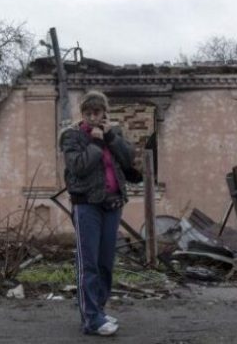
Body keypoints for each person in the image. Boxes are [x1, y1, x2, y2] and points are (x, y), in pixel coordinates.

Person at [59, 90, 135, 336]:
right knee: (88, 264)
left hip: (112, 204)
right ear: (82, 114)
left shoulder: (114, 133)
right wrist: (96, 142)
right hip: (87, 205)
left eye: (97, 112)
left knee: (105, 264)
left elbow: (129, 159)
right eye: (88, 113)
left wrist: (110, 137)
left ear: (105, 112)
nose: (93, 117)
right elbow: (78, 167)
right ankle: (91, 319)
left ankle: (99, 311)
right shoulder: (71, 136)